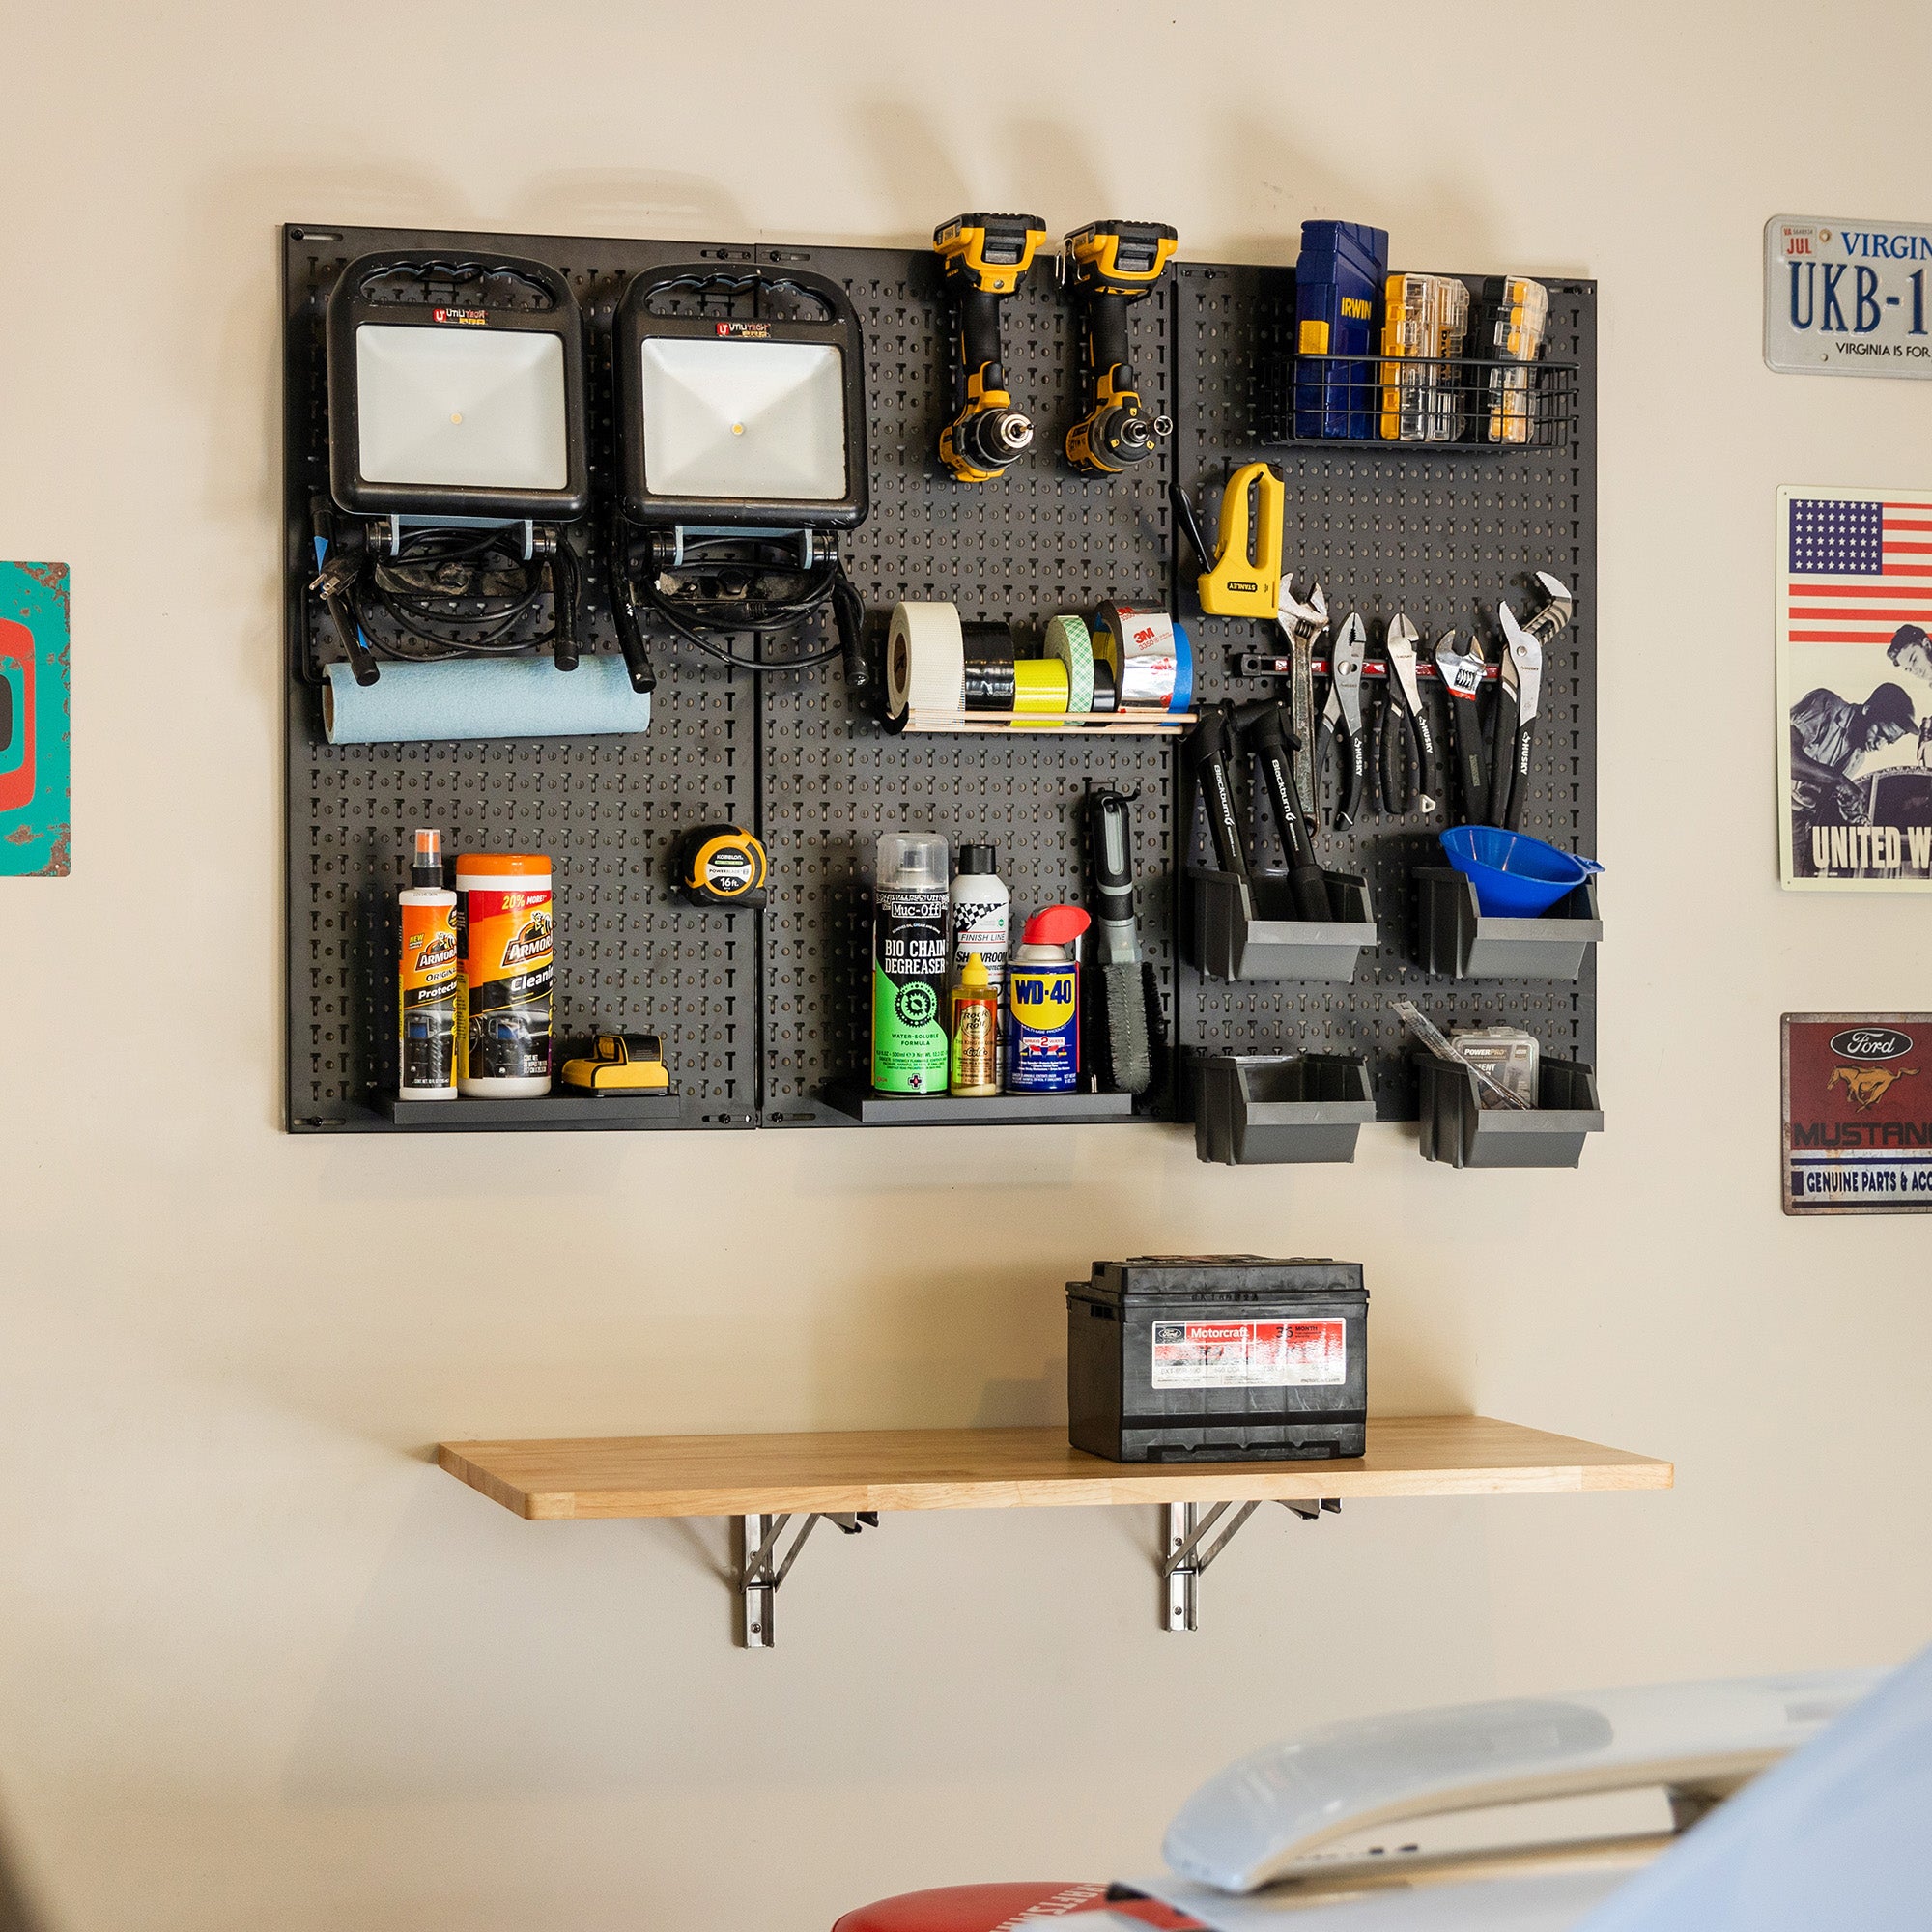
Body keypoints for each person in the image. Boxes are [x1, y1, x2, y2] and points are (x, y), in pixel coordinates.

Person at [1790, 681, 1916, 835]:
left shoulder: (1858, 756)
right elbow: (1785, 757)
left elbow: (1818, 803)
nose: (1879, 746)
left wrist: (1850, 812)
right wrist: (1840, 781)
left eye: (1888, 742)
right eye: (1880, 733)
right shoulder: (1826, 705)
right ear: (1867, 710)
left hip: (1800, 825)